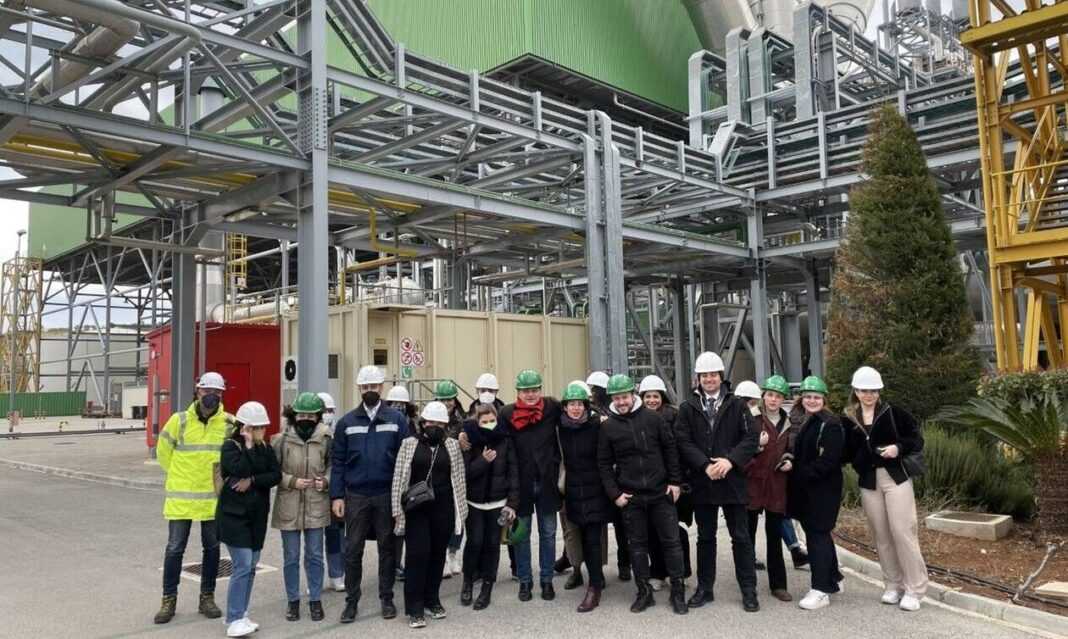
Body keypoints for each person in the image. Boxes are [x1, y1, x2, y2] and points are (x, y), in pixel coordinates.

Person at [675, 352, 761, 612]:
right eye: (704, 375)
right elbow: (683, 441)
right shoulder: (688, 407)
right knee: (705, 537)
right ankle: (705, 588)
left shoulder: (737, 405)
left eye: (713, 375)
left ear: (721, 377)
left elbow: (751, 438)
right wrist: (705, 465)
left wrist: (730, 461)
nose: (709, 379)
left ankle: (749, 590)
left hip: (732, 480)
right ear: (698, 378)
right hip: (704, 481)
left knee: (741, 537)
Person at [598, 374, 688, 615]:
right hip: (631, 497)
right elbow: (603, 464)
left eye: (624, 397)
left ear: (632, 395)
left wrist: (675, 482)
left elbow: (670, 449)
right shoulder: (608, 427)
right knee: (637, 547)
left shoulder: (653, 418)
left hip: (660, 493)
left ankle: (677, 591)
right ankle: (643, 592)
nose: (621, 402)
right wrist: (615, 494)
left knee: (672, 543)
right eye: (616, 398)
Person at [843, 366, 927, 612]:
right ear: (856, 391)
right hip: (869, 481)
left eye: (872, 391)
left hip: (895, 477)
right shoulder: (849, 418)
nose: (868, 395)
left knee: (903, 531)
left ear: (879, 391)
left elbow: (916, 439)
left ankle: (915, 588)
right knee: (881, 535)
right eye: (863, 390)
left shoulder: (894, 413)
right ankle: (893, 584)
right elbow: (845, 451)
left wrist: (897, 448)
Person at [331, 365, 410, 623]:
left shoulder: (397, 420)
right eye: (365, 387)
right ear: (359, 388)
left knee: (387, 549)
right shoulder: (346, 423)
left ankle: (387, 598)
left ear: (382, 387)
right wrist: (337, 496)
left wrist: (403, 495)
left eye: (374, 386)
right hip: (356, 496)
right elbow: (338, 462)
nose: (370, 391)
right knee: (353, 550)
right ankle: (351, 602)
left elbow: (406, 459)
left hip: (386, 494)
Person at [153, 371, 229, 625]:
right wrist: (179, 475)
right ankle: (168, 600)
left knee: (212, 549)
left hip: (212, 500)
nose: (212, 396)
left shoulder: (229, 423)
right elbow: (163, 453)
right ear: (198, 392)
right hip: (182, 499)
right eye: (208, 391)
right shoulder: (180, 420)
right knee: (175, 549)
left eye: (217, 392)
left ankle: (207, 597)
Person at [391, 401, 468, 629]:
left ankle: (432, 600)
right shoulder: (409, 444)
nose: (434, 426)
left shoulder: (452, 446)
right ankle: (414, 608)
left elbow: (459, 478)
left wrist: (461, 511)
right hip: (416, 509)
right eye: (430, 422)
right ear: (423, 423)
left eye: (439, 423)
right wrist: (396, 510)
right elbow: (398, 478)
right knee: (417, 555)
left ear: (445, 425)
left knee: (437, 555)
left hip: (443, 506)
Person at [217, 401, 281, 637]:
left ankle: (241, 612)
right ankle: (234, 618)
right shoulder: (230, 447)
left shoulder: (266, 448)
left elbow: (274, 475)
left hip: (256, 516)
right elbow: (240, 470)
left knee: (251, 566)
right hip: (233, 517)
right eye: (257, 427)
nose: (262, 431)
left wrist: (253, 481)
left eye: (263, 427)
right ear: (245, 427)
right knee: (243, 565)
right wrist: (248, 446)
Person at [498, 369, 563, 602]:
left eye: (535, 390)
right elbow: (492, 435)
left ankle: (547, 580)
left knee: (548, 534)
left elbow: (576, 414)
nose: (531, 395)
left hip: (547, 482)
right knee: (520, 536)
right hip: (520, 485)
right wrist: (465, 436)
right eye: (526, 391)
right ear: (518, 392)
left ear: (540, 390)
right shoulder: (507, 413)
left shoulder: (552, 407)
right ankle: (525, 581)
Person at [787, 376, 846, 611]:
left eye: (816, 397)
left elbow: (829, 460)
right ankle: (834, 578)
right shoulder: (811, 420)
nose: (812, 400)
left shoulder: (830, 423)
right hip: (811, 488)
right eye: (808, 396)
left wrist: (801, 473)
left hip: (823, 489)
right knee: (819, 533)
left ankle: (821, 589)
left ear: (824, 399)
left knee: (817, 536)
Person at [272, 393, 332, 622]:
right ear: (293, 415)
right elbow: (272, 470)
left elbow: (334, 466)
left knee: (315, 555)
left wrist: (326, 481)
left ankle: (315, 600)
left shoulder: (326, 438)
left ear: (318, 417)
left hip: (316, 504)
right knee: (291, 557)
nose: (305, 419)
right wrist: (291, 481)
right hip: (288, 504)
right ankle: (293, 601)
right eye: (301, 415)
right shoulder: (281, 440)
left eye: (310, 415)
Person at [558, 382, 614, 613]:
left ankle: (594, 587)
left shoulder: (597, 426)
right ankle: (580, 573)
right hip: (572, 492)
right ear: (565, 407)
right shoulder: (559, 428)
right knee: (574, 537)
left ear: (586, 406)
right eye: (571, 404)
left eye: (580, 404)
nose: (576, 408)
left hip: (595, 491)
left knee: (593, 540)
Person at [461, 404, 518, 610]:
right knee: (475, 542)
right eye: (484, 421)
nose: (488, 424)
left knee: (493, 544)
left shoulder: (506, 439)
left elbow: (513, 472)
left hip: (498, 502)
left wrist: (512, 503)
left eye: (491, 420)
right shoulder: (469, 441)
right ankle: (468, 581)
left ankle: (487, 587)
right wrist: (482, 461)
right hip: (475, 502)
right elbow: (464, 474)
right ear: (477, 422)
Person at [639, 375, 693, 592]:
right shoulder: (637, 419)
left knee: (674, 531)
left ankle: (681, 572)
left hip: (672, 483)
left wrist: (676, 481)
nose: (652, 400)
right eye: (647, 396)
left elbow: (680, 451)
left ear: (662, 397)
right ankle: (657, 573)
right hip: (649, 484)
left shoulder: (675, 417)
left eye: (655, 396)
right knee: (652, 530)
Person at [744, 375, 795, 603]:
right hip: (753, 483)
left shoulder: (788, 423)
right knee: (747, 536)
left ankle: (778, 585)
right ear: (763, 396)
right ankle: (748, 584)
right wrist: (757, 446)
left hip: (776, 485)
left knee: (774, 537)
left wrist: (789, 460)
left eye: (778, 396)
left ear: (784, 399)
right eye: (770, 395)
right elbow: (739, 450)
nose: (774, 400)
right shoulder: (751, 418)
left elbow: (792, 448)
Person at [586, 369, 631, 582]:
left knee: (622, 525)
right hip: (600, 476)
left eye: (595, 389)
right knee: (599, 528)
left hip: (617, 476)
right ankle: (602, 570)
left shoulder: (615, 412)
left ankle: (624, 563)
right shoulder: (592, 413)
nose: (592, 394)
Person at [434, 380, 467, 578]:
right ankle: (442, 557)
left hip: (457, 473)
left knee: (458, 516)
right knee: (441, 517)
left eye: (450, 399)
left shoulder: (463, 420)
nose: (447, 403)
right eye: (443, 399)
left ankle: (453, 553)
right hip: (437, 473)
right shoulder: (429, 418)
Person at [318, 392, 346, 593]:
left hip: (335, 491)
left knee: (336, 535)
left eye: (330, 410)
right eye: (324, 410)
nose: (328, 414)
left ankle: (337, 575)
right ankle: (316, 579)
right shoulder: (308, 434)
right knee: (313, 541)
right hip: (313, 492)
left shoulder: (340, 431)